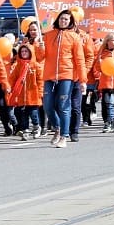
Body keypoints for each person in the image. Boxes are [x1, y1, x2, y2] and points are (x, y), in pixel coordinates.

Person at [43, 10, 86, 147]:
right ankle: (57, 127)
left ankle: (64, 136)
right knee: (47, 105)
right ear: (58, 19)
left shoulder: (74, 37)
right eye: (62, 18)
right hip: (49, 75)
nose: (63, 21)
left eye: (66, 19)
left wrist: (83, 80)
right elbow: (40, 57)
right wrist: (39, 48)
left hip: (67, 75)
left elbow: (80, 60)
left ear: (70, 22)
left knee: (63, 105)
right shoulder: (48, 35)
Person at [91, 34, 114, 133]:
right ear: (107, 42)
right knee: (106, 102)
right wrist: (99, 63)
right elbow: (97, 68)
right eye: (113, 40)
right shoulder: (102, 53)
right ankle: (107, 122)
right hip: (106, 81)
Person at [8, 43, 43, 139]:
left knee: (34, 114)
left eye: (26, 51)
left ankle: (36, 127)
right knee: (24, 115)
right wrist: (10, 87)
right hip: (22, 96)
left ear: (30, 53)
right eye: (22, 51)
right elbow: (12, 78)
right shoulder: (18, 66)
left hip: (33, 96)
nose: (24, 53)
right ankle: (25, 130)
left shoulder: (36, 66)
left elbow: (40, 80)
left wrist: (40, 92)